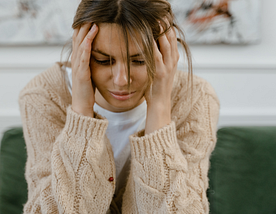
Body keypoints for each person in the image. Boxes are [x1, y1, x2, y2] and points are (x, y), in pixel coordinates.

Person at [18, 0, 220, 213]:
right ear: (81, 52)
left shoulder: (194, 97)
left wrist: (159, 109)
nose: (122, 80)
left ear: (165, 51)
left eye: (139, 61)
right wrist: (81, 115)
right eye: (104, 60)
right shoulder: (44, 96)